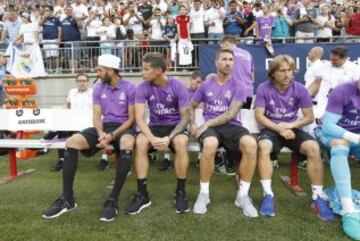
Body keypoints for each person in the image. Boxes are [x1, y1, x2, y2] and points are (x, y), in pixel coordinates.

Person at [42, 54, 136, 222]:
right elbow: (96, 116)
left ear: (110, 70)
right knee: (72, 142)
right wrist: (101, 134)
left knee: (127, 142)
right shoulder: (99, 88)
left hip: (124, 128)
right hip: (104, 127)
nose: (97, 73)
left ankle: (112, 201)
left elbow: (131, 119)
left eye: (100, 70)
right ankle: (67, 199)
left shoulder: (130, 88)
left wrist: (112, 135)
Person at [254, 54, 334, 221]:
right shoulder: (263, 88)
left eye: (290, 70)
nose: (287, 74)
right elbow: (259, 116)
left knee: (313, 148)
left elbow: (309, 117)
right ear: (273, 73)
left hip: (292, 129)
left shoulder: (300, 89)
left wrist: (288, 126)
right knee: (264, 147)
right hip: (271, 129)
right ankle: (268, 195)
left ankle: (318, 197)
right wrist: (279, 128)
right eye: (282, 70)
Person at [191, 49, 258, 217]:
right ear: (216, 62)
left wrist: (206, 124)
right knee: (210, 144)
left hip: (231, 125)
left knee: (250, 144)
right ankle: (204, 194)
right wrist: (192, 123)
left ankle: (242, 196)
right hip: (212, 130)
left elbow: (230, 115)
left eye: (231, 60)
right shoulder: (206, 85)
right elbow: (190, 106)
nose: (228, 63)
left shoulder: (239, 85)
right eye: (224, 59)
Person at [125, 52, 191, 215]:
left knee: (181, 143)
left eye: (146, 69)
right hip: (155, 126)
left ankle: (180, 192)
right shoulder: (142, 87)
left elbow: (186, 118)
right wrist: (152, 138)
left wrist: (169, 138)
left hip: (175, 126)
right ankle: (142, 194)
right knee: (140, 143)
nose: (142, 72)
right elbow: (139, 118)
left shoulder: (178, 86)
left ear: (158, 71)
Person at [314, 81, 360, 240]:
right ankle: (349, 211)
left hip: (356, 138)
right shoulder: (343, 91)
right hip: (331, 134)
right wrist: (356, 138)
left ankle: (337, 194)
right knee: (340, 146)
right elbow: (327, 126)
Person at [42, 73, 93, 172]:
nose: (82, 83)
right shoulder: (72, 91)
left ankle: (46, 139)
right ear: (76, 82)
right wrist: (64, 109)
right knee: (63, 130)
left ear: (87, 82)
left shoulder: (93, 93)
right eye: (79, 81)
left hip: (86, 122)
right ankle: (62, 159)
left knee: (62, 129)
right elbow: (67, 104)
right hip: (72, 121)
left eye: (84, 81)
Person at [39, 5, 62, 74]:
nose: (46, 12)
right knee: (48, 56)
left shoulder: (56, 19)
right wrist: (44, 17)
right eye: (45, 10)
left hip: (53, 39)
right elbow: (40, 24)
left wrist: (59, 39)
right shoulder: (43, 18)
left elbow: (59, 29)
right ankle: (50, 69)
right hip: (45, 40)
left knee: (55, 56)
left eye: (47, 10)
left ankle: (57, 69)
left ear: (51, 11)